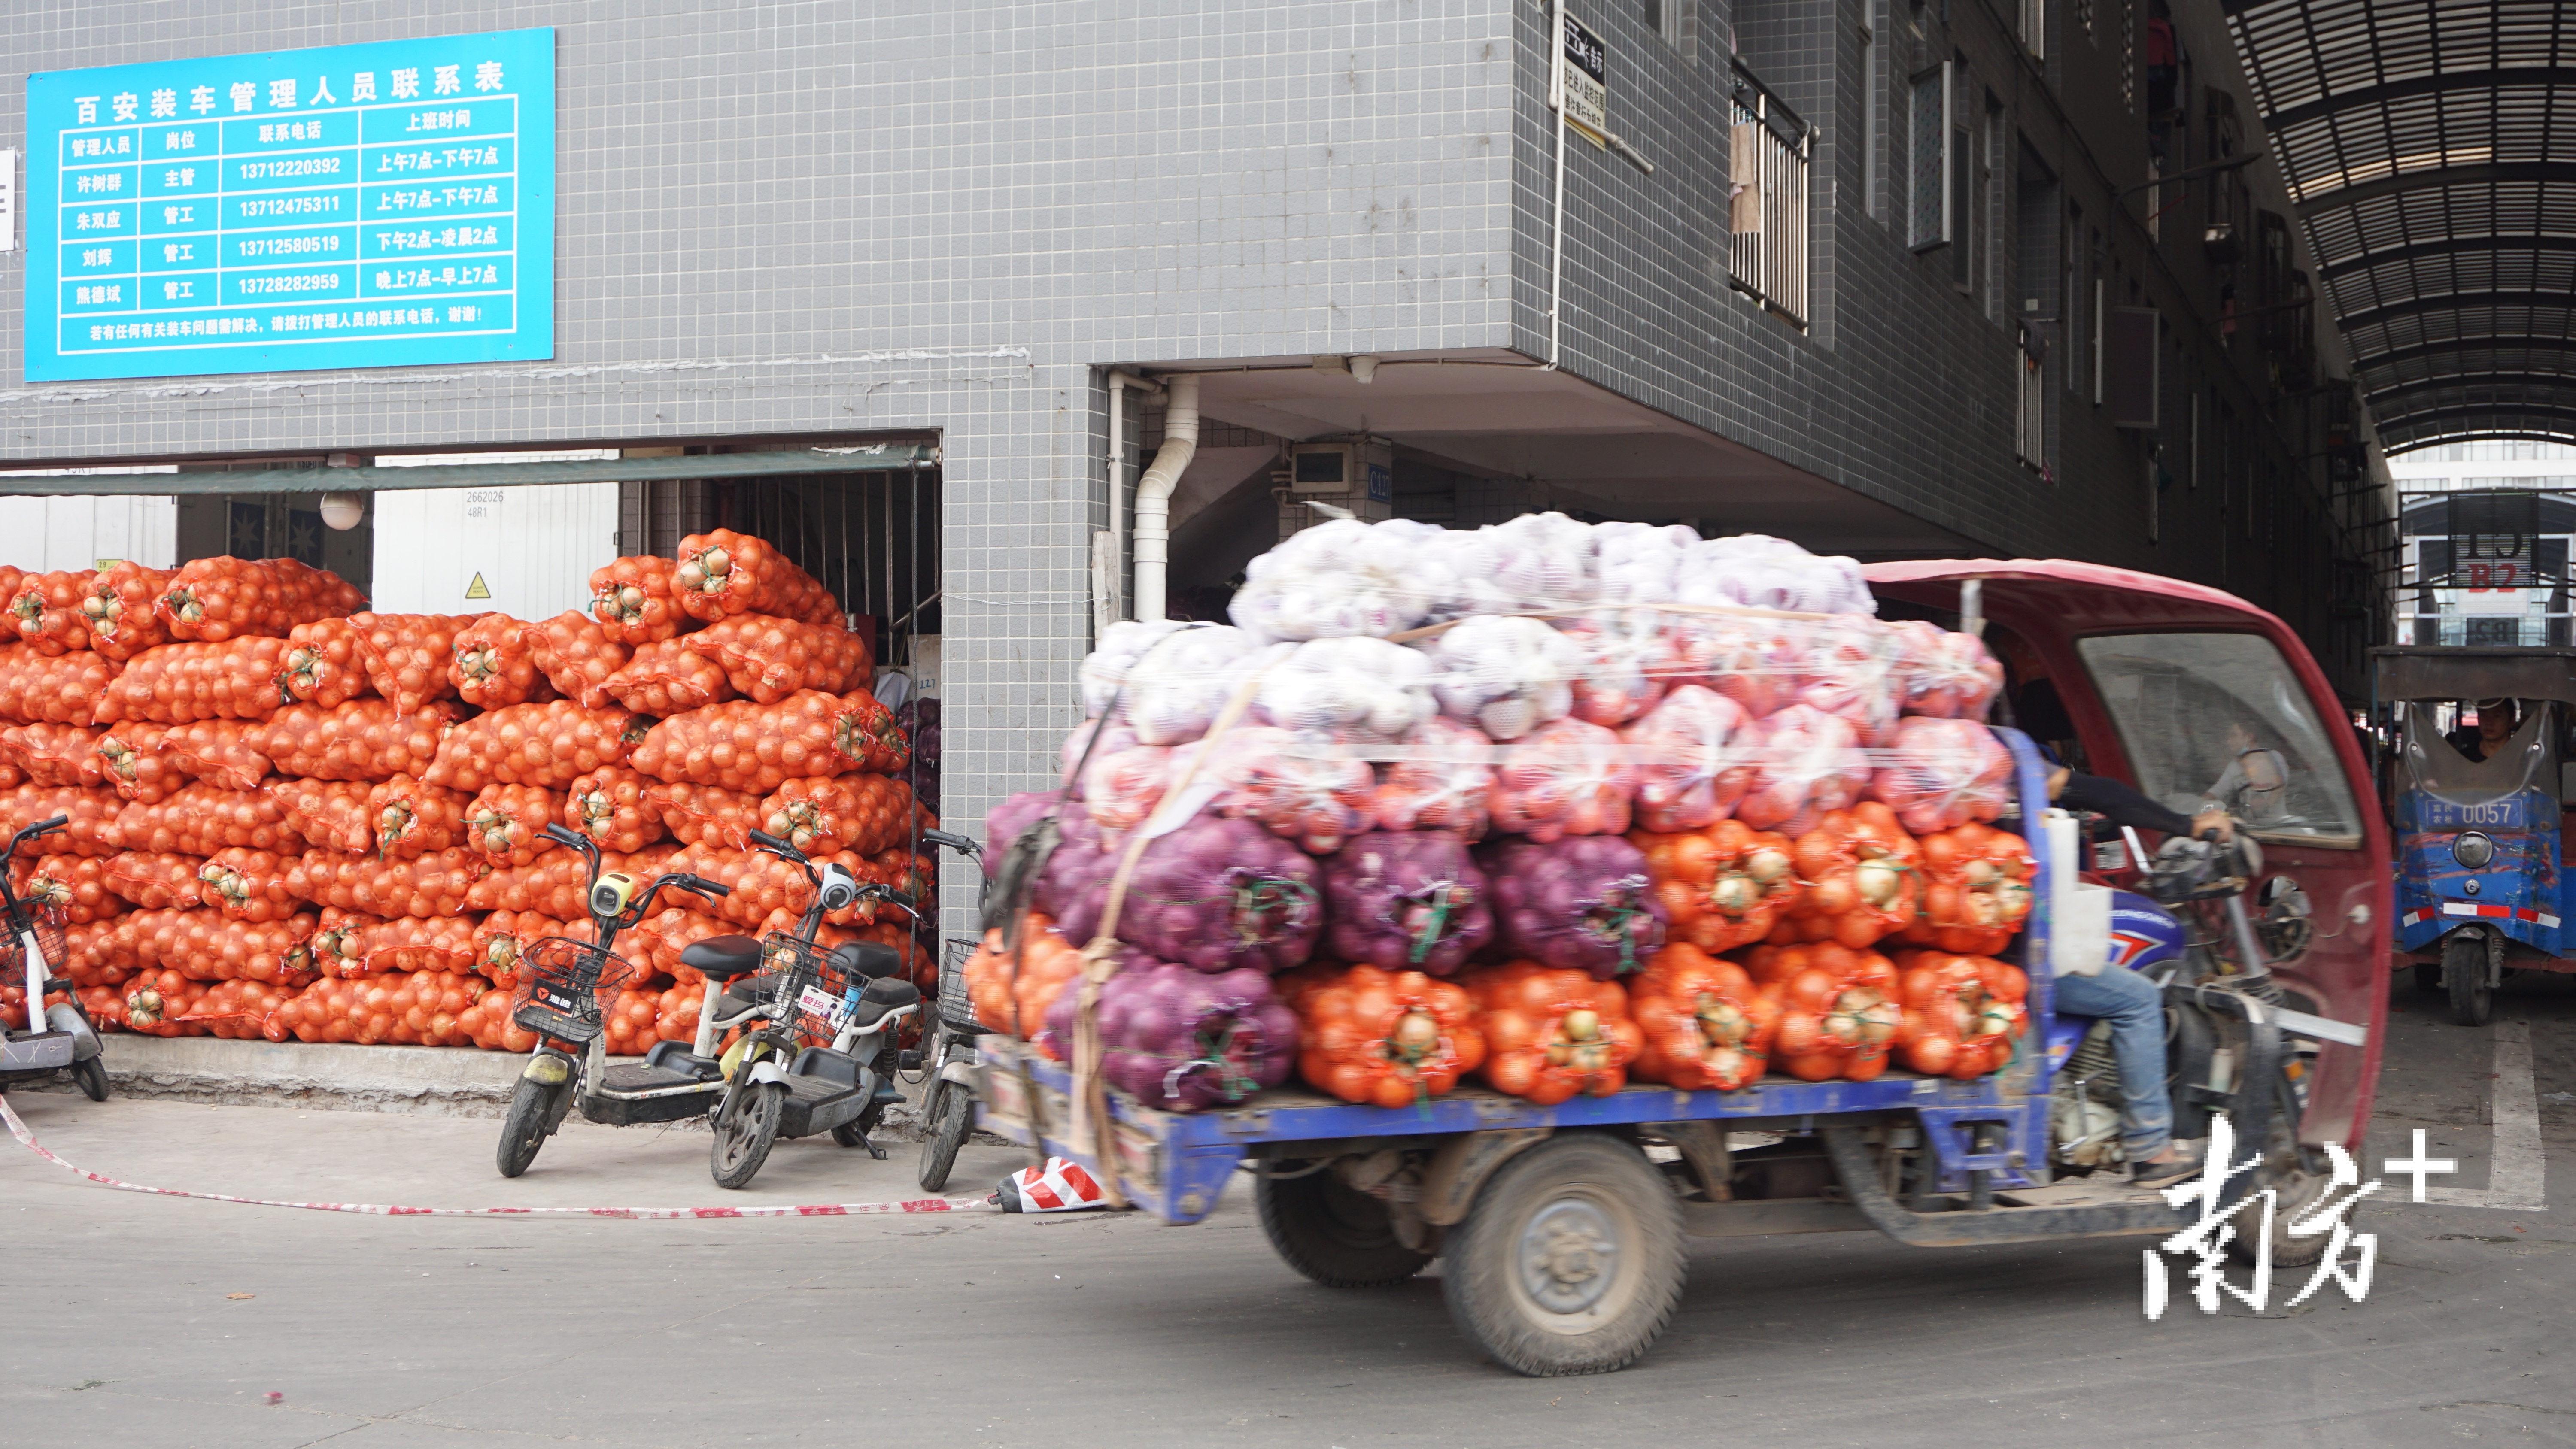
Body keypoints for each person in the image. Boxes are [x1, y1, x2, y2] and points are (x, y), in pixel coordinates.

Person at [2044, 763, 2232, 1182]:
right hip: (2013, 951)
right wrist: (2187, 824)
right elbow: (2093, 790)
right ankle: (2150, 1148)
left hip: (1991, 939)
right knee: (2138, 1000)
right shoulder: (1997, 755)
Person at [2208, 721, 2293, 826]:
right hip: (2251, 827)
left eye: (2233, 736)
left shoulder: (2272, 757)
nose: (2228, 742)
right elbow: (2219, 790)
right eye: (2228, 737)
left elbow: (2280, 785)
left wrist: (2265, 805)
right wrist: (2198, 803)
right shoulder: (2233, 767)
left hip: (2278, 825)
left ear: (2249, 737)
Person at [2445, 697, 2520, 763]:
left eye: (2497, 716)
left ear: (2512, 721)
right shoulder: (2466, 760)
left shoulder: (2522, 758)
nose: (2489, 722)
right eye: (2484, 715)